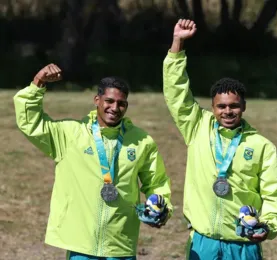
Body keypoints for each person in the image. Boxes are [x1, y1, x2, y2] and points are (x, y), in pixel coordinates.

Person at [13, 64, 172, 260]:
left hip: (120, 244)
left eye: (121, 103)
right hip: (82, 246)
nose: (114, 108)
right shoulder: (70, 134)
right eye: (109, 101)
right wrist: (37, 84)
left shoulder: (141, 141)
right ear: (97, 100)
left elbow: (156, 182)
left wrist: (163, 209)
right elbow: (30, 123)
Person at [163, 19, 277, 260]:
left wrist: (268, 225)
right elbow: (176, 92)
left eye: (234, 106)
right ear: (212, 107)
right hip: (203, 242)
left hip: (243, 245)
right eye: (221, 106)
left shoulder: (261, 146)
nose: (227, 111)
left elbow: (276, 193)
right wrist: (177, 43)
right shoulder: (197, 127)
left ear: (243, 106)